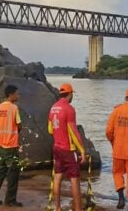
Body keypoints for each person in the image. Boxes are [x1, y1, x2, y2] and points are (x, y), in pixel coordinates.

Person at [48, 83, 86, 211]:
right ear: (69, 94)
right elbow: (73, 131)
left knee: (58, 176)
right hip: (68, 149)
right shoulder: (69, 108)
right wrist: (82, 150)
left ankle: (57, 207)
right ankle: (78, 209)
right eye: (72, 94)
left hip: (56, 147)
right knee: (75, 179)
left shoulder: (53, 108)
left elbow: (50, 130)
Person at [0, 85, 22, 207]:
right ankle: (10, 200)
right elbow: (19, 125)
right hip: (11, 146)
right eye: (17, 93)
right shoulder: (14, 108)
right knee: (13, 173)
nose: (18, 96)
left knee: (1, 172)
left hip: (1, 145)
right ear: (11, 95)